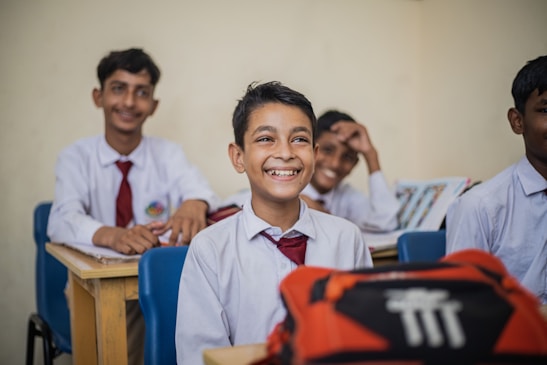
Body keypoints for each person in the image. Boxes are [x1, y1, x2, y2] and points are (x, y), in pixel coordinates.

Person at [175, 81, 372, 364]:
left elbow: (364, 341)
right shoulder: (210, 249)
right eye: (266, 139)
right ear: (238, 156)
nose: (285, 152)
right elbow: (199, 356)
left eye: (299, 139)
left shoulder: (346, 239)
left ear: (314, 154)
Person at [47, 48, 220, 364]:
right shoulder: (75, 157)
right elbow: (61, 219)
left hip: (152, 282)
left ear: (153, 106)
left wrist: (195, 203)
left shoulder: (168, 154)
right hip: (95, 286)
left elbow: (202, 191)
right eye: (118, 89)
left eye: (141, 93)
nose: (129, 102)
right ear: (98, 97)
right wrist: (112, 236)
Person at [445, 55, 547, 305]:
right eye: (545, 110)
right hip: (515, 338)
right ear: (518, 121)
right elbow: (462, 302)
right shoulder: (480, 206)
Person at [224, 110, 400, 233]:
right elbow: (237, 203)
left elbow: (385, 222)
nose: (335, 164)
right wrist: (299, 201)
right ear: (311, 150)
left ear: (354, 165)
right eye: (328, 150)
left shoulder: (347, 197)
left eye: (347, 157)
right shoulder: (283, 185)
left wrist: (371, 155)